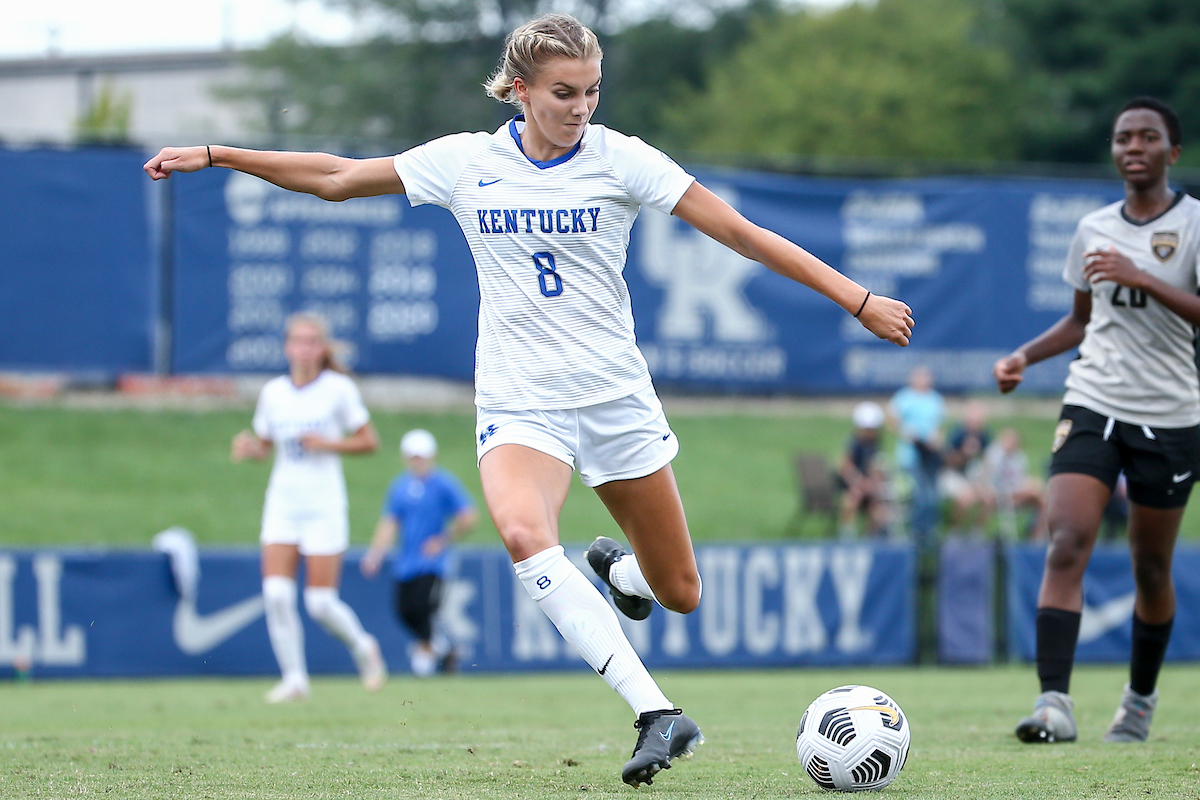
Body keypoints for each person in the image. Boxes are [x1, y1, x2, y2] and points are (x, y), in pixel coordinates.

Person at [144, 12, 914, 785]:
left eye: (593, 91)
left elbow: (742, 234)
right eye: (564, 92)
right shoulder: (465, 164)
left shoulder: (623, 160)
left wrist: (858, 299)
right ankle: (657, 713)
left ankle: (625, 578)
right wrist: (219, 154)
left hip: (615, 402)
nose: (582, 107)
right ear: (519, 90)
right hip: (520, 403)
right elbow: (338, 178)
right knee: (521, 532)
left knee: (678, 591)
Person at [993, 96, 1200, 744]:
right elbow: (1082, 322)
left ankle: (1138, 701)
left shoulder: (1194, 224)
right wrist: (1025, 354)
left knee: (1150, 568)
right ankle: (1054, 702)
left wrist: (1143, 275)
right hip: (1094, 399)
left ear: (1173, 151)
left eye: (1147, 137)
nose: (1132, 147)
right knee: (1066, 540)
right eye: (1122, 138)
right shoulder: (1092, 228)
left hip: (1170, 413)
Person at [231, 312, 387, 703]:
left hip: (324, 503)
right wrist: (250, 449)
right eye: (297, 341)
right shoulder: (273, 393)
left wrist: (329, 444)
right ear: (287, 347)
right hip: (283, 502)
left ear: (322, 348)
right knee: (277, 595)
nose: (304, 348)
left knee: (319, 603)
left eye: (312, 341)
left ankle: (363, 646)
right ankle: (295, 679)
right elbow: (266, 446)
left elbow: (370, 441)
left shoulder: (337, 389)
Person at [361, 429, 478, 676]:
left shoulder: (443, 483)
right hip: (407, 562)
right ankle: (441, 650)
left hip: (434, 562)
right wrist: (375, 553)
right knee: (404, 611)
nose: (417, 462)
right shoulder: (400, 487)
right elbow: (390, 523)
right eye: (413, 457)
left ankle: (426, 658)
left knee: (421, 608)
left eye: (421, 457)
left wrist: (443, 540)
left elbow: (468, 516)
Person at [888, 366, 945, 545]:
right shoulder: (904, 398)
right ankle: (918, 534)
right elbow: (893, 420)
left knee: (933, 496)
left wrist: (936, 440)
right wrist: (907, 433)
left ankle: (930, 533)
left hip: (930, 455)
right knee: (921, 495)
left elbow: (939, 426)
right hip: (911, 456)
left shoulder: (935, 400)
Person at [938, 400, 995, 534]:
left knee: (989, 498)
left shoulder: (984, 435)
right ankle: (956, 530)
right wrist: (964, 454)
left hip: (974, 475)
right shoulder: (957, 434)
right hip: (954, 474)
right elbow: (947, 462)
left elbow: (985, 459)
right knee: (965, 498)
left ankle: (977, 531)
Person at [836, 401, 890, 538]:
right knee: (852, 499)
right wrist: (859, 482)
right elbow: (845, 467)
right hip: (853, 487)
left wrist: (873, 484)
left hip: (868, 489)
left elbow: (875, 468)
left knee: (879, 507)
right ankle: (847, 535)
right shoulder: (854, 444)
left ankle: (871, 537)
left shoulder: (875, 444)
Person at [981, 428, 1046, 540]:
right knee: (1034, 492)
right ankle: (980, 535)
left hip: (1014, 493)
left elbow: (1020, 479)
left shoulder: (1019, 457)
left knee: (1042, 498)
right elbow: (989, 480)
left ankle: (1036, 536)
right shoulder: (993, 456)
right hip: (998, 495)